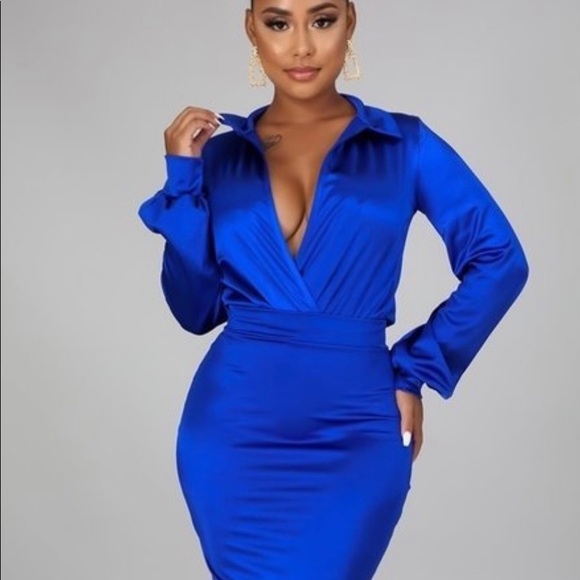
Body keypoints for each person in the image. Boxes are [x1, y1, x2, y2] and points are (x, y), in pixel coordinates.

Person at [137, 0, 529, 577]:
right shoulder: (219, 156)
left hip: (357, 426)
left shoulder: (404, 145)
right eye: (278, 23)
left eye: (322, 21)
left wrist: (417, 367)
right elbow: (195, 310)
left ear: (350, 22)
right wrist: (182, 182)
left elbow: (500, 258)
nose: (301, 45)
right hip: (234, 429)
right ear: (252, 29)